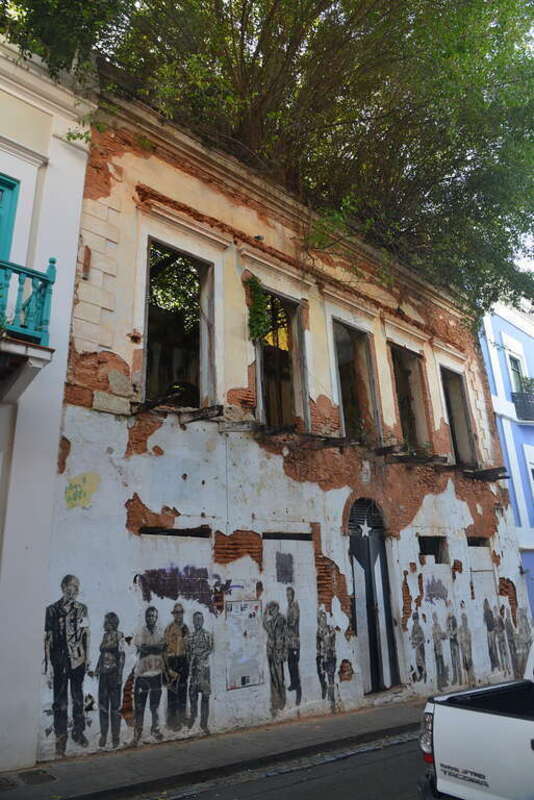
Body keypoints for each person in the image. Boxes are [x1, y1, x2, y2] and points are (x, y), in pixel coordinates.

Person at [44, 575, 90, 757]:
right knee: (60, 702)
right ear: (63, 587)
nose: (75, 590)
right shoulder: (52, 610)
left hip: (77, 659)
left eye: (77, 587)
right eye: (72, 586)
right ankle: (60, 739)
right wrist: (47, 664)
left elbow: (86, 634)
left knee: (78, 698)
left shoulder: (82, 609)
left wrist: (87, 659)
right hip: (60, 659)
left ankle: (78, 732)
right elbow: (47, 638)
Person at [132, 606, 165, 745]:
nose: (151, 617)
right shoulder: (140, 632)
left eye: (153, 615)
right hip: (143, 675)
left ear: (156, 617)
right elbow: (141, 648)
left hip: (156, 673)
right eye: (149, 615)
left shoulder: (161, 631)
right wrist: (154, 648)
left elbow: (162, 647)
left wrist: (150, 648)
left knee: (155, 705)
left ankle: (155, 729)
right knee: (140, 706)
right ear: (146, 617)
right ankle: (138, 731)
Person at [95, 612, 125, 748]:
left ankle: (115, 737)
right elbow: (102, 654)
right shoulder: (105, 636)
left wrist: (119, 675)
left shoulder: (119, 636)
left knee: (114, 708)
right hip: (103, 675)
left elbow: (122, 657)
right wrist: (97, 669)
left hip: (114, 675)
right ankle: (103, 735)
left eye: (106, 622)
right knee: (102, 707)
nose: (104, 624)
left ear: (112, 623)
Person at [187, 611, 213, 734]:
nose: (198, 621)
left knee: (205, 697)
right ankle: (193, 718)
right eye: (196, 619)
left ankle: (204, 723)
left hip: (204, 670)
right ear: (193, 621)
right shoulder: (190, 637)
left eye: (200, 619)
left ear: (202, 621)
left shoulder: (208, 635)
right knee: (193, 696)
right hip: (194, 670)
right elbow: (188, 652)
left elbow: (210, 648)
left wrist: (202, 655)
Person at [164, 603, 189, 730]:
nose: (179, 615)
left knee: (183, 690)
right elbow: (165, 649)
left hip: (183, 660)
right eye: (177, 613)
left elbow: (188, 645)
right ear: (174, 614)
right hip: (173, 660)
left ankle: (182, 716)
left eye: (180, 612)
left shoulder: (186, 628)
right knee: (172, 691)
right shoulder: (169, 629)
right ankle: (172, 721)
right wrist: (168, 668)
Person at [263, 601, 288, 716]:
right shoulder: (273, 620)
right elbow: (266, 627)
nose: (271, 611)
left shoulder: (280, 619)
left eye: (272, 609)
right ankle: (277, 701)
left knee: (279, 677)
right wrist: (264, 614)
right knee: (274, 677)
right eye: (270, 609)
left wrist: (279, 651)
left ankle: (282, 701)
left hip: (277, 652)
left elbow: (278, 636)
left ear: (276, 608)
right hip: (271, 651)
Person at [316, 610, 336, 711]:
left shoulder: (330, 629)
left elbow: (333, 641)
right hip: (322, 657)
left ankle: (332, 699)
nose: (323, 620)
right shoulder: (318, 632)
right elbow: (318, 646)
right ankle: (325, 692)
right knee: (322, 677)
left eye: (324, 618)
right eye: (321, 619)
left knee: (331, 677)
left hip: (330, 656)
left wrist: (330, 649)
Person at [286, 587, 301, 705]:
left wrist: (285, 624)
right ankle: (293, 683)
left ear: (293, 595)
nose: (288, 597)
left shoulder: (294, 607)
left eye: (289, 595)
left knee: (294, 665)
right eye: (287, 595)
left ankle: (297, 687)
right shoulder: (289, 607)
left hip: (294, 640)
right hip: (289, 640)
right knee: (290, 664)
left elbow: (292, 622)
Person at [432, 613, 448, 691]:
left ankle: (443, 682)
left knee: (442, 665)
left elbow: (441, 635)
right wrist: (440, 636)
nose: (435, 619)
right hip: (436, 649)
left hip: (440, 649)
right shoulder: (433, 628)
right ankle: (439, 685)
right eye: (434, 618)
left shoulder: (438, 626)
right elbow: (436, 637)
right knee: (438, 667)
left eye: (436, 618)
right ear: (433, 619)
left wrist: (444, 635)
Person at [458, 613, 475, 685]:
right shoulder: (460, 629)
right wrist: (462, 645)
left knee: (470, 664)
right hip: (463, 650)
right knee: (465, 665)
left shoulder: (468, 629)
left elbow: (470, 640)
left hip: (468, 650)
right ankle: (467, 681)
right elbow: (459, 640)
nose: (465, 621)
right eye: (463, 619)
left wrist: (470, 650)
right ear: (462, 620)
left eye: (465, 619)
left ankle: (472, 680)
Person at [410, 612, 426, 682]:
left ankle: (425, 675)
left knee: (422, 661)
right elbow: (412, 636)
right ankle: (421, 674)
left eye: (416, 619)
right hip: (417, 647)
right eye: (414, 619)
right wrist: (413, 643)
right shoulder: (413, 627)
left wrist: (418, 642)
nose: (415, 621)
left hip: (420, 646)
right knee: (417, 662)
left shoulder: (419, 627)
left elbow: (423, 638)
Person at [447, 614, 462, 685]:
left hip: (456, 643)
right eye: (449, 622)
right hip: (451, 643)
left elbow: (456, 630)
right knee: (453, 662)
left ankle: (460, 678)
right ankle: (455, 678)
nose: (449, 623)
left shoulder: (455, 623)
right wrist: (449, 633)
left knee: (458, 661)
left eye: (450, 621)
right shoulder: (448, 625)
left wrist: (452, 633)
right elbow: (448, 632)